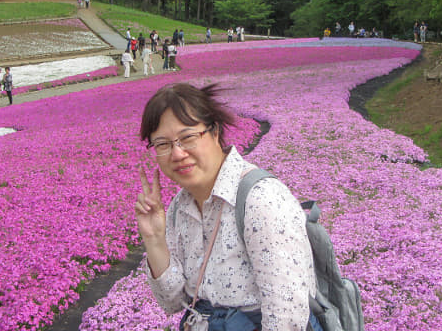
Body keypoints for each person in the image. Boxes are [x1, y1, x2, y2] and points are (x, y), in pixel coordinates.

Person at [135, 83, 318, 331]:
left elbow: (286, 319)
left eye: (188, 138)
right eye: (163, 144)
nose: (177, 154)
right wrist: (155, 239)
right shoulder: (180, 206)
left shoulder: (260, 200)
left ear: (215, 132)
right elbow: (172, 302)